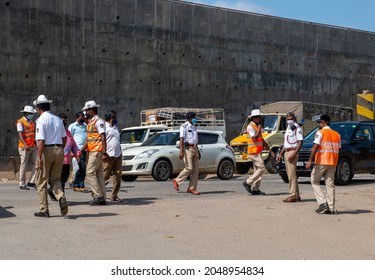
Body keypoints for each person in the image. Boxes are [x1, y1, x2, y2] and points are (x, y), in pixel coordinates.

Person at [33, 95, 68, 218]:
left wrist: (38, 157)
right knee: (55, 180)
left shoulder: (41, 120)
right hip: (59, 149)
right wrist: (60, 149)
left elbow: (41, 141)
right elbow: (64, 138)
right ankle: (60, 196)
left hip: (46, 150)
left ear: (39, 108)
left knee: (41, 181)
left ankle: (44, 210)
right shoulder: (58, 119)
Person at [306, 114, 341, 215]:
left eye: (320, 123)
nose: (319, 125)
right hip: (333, 162)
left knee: (314, 180)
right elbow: (338, 148)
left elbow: (315, 147)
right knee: (330, 185)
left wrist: (309, 161)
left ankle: (322, 203)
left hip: (322, 161)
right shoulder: (337, 134)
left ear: (324, 123)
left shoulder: (320, 132)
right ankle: (331, 208)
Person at [81, 100, 108, 205]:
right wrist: (81, 150)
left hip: (96, 151)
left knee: (89, 173)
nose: (85, 112)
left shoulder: (98, 121)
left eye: (87, 110)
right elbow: (89, 140)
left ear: (91, 111)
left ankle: (98, 195)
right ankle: (103, 198)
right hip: (93, 151)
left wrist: (104, 152)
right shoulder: (91, 122)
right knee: (99, 175)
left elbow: (103, 137)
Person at [242, 109, 274, 195]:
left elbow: (262, 140)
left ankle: (256, 189)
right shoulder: (250, 127)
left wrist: (269, 150)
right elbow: (254, 138)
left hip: (258, 151)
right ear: (254, 118)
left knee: (257, 171)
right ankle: (248, 182)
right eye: (259, 118)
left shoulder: (256, 126)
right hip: (253, 152)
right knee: (262, 168)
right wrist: (259, 129)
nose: (260, 119)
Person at [276, 112, 303, 202]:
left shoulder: (297, 128)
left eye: (290, 119)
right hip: (287, 151)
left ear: (294, 119)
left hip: (292, 151)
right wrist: (281, 154)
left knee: (291, 175)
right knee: (291, 174)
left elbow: (300, 141)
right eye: (287, 119)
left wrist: (294, 153)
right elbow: (286, 143)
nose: (289, 121)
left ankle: (293, 195)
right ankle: (297, 195)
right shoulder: (288, 128)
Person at [172, 112, 201, 195]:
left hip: (195, 148)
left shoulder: (195, 127)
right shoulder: (184, 126)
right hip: (187, 148)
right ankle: (176, 180)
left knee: (196, 170)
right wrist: (181, 151)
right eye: (193, 117)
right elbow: (181, 139)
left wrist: (198, 151)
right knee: (189, 168)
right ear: (189, 118)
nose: (195, 119)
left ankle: (191, 188)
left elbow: (195, 139)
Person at [16, 105, 38, 190]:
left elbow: (34, 134)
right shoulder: (20, 122)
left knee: (37, 163)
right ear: (25, 113)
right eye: (30, 113)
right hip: (24, 147)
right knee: (24, 165)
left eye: (32, 113)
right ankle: (22, 183)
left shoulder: (32, 122)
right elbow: (20, 133)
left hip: (33, 146)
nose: (31, 115)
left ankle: (31, 181)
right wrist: (25, 144)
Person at [103, 110, 122, 201]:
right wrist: (103, 152)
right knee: (104, 176)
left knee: (118, 175)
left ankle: (114, 195)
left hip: (117, 154)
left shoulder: (115, 128)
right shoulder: (104, 128)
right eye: (114, 117)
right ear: (111, 118)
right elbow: (102, 141)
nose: (115, 119)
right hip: (108, 155)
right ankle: (97, 193)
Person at [58, 113, 80, 192]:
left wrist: (77, 154)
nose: (65, 122)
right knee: (60, 180)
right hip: (57, 160)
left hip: (66, 161)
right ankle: (61, 196)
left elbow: (73, 145)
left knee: (64, 178)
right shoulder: (54, 132)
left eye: (66, 120)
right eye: (63, 120)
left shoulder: (68, 133)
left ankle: (51, 191)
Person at [68, 111, 88, 192]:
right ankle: (77, 185)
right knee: (79, 167)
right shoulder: (72, 126)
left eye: (83, 116)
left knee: (83, 168)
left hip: (84, 149)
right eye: (81, 117)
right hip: (76, 150)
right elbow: (69, 138)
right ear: (77, 118)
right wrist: (71, 151)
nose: (82, 118)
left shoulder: (85, 126)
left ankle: (80, 185)